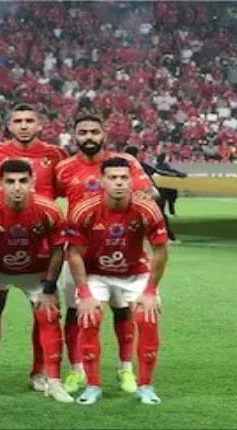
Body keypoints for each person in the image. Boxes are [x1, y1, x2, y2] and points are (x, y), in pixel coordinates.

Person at [55, 109, 158, 395]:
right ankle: (77, 370)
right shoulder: (64, 168)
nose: (89, 137)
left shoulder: (125, 163)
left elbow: (151, 194)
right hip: (78, 254)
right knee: (76, 311)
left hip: (120, 251)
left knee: (122, 309)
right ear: (74, 136)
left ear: (104, 134)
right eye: (83, 132)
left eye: (94, 132)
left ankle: (126, 369)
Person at [0, 103, 69, 394]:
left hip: (40, 245)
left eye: (30, 120)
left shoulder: (56, 155)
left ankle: (39, 373)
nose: (24, 126)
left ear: (39, 125)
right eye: (18, 121)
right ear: (9, 126)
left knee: (44, 311)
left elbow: (67, 189)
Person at [67, 156, 168, 405]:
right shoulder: (85, 209)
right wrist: (85, 294)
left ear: (132, 181)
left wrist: (150, 291)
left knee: (148, 319)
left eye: (124, 177)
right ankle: (93, 386)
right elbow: (74, 254)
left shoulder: (147, 208)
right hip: (96, 273)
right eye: (113, 178)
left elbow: (160, 251)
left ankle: (146, 387)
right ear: (102, 180)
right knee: (89, 319)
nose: (119, 183)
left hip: (135, 273)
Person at [123, 147, 187, 243]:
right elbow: (158, 172)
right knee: (159, 215)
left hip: (132, 195)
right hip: (147, 193)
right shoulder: (139, 164)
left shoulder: (123, 166)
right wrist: (177, 175)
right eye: (139, 153)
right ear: (136, 154)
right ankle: (168, 237)